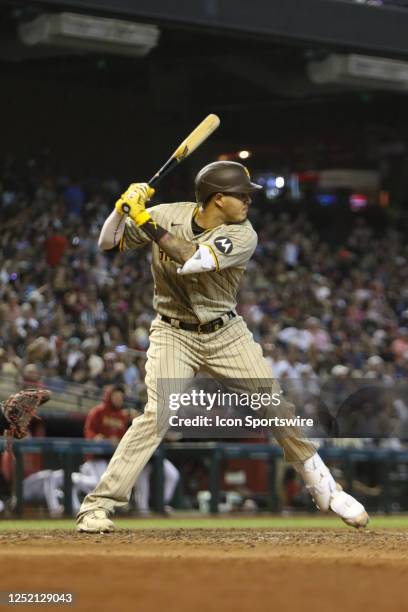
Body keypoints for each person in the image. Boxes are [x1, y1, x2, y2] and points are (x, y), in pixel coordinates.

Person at [76, 161, 369, 532]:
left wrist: (145, 221)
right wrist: (120, 211)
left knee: (275, 407)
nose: (248, 200)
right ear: (217, 198)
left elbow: (192, 260)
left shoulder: (244, 234)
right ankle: (97, 506)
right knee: (157, 415)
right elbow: (107, 241)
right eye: (241, 194)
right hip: (173, 332)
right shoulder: (168, 213)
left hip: (224, 333)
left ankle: (327, 490)